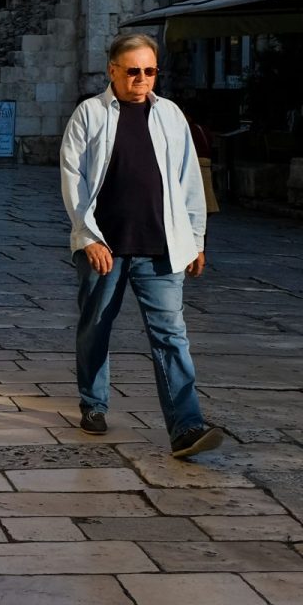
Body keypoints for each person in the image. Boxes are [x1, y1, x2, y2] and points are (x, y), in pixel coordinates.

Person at [59, 33, 223, 460]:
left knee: (171, 336)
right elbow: (73, 180)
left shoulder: (170, 115)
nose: (142, 79)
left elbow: (190, 182)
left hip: (162, 246)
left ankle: (186, 427)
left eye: (150, 71)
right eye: (133, 71)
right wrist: (89, 236)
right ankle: (93, 404)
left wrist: (195, 239)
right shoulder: (90, 114)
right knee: (96, 326)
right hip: (104, 247)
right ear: (112, 70)